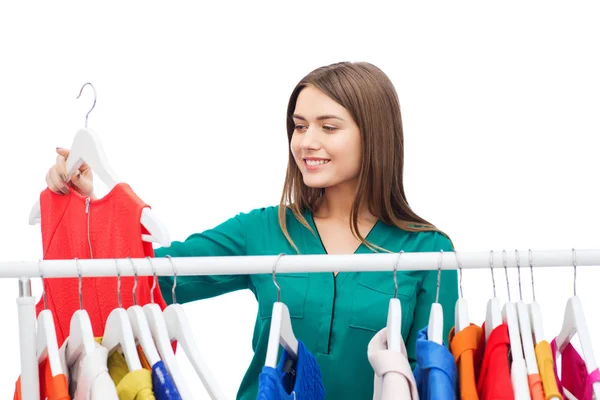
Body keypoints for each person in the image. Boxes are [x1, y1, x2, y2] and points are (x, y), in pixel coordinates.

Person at [45, 61, 458, 399]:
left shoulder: (428, 252)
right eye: (299, 125)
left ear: (376, 137)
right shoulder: (263, 230)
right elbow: (146, 277)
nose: (306, 142)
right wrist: (89, 206)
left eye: (328, 127)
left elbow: (436, 381)